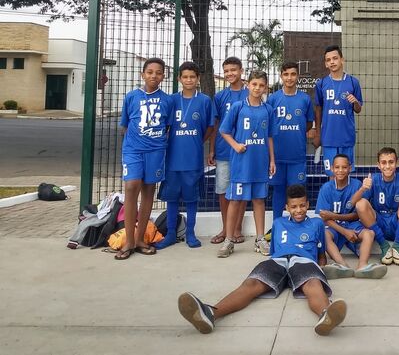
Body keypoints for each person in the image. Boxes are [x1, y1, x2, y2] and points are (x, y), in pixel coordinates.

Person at [177, 184, 347, 336]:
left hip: (303, 261)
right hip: (278, 260)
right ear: (287, 208)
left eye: (303, 205)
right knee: (251, 284)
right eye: (294, 207)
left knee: (313, 285)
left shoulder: (316, 223)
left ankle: (326, 315)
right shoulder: (279, 223)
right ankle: (210, 313)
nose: (299, 210)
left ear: (308, 205)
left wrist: (320, 267)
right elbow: (274, 251)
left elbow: (321, 254)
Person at [116, 57, 174, 260]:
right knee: (132, 186)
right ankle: (129, 241)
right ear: (143, 74)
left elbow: (167, 127)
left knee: (149, 190)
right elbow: (125, 125)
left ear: (163, 76)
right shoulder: (131, 97)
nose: (154, 76)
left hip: (156, 151)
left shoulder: (168, 100)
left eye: (158, 72)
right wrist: (133, 144)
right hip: (133, 150)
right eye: (150, 72)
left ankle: (140, 239)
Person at [155, 61, 217, 250]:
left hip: (193, 159)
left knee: (192, 199)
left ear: (198, 79)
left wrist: (198, 140)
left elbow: (210, 127)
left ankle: (190, 233)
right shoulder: (171, 100)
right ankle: (171, 233)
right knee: (172, 198)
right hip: (173, 158)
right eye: (185, 77)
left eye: (192, 76)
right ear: (179, 79)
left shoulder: (205, 100)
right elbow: (164, 126)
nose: (189, 80)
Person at [217, 70, 276, 258]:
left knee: (259, 200)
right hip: (242, 163)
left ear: (265, 87)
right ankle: (228, 239)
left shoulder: (268, 110)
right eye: (254, 84)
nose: (257, 88)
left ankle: (260, 239)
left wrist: (272, 160)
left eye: (261, 85)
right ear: (247, 85)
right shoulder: (237, 107)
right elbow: (224, 131)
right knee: (236, 200)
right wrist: (235, 145)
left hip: (260, 163)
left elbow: (270, 137)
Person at [315, 154, 388, 279]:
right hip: (335, 228)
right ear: (332, 168)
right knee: (324, 234)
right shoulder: (326, 188)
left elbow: (356, 215)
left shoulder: (356, 185)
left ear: (350, 168)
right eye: (337, 167)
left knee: (369, 234)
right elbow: (324, 218)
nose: (340, 170)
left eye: (344, 167)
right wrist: (344, 231)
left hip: (352, 225)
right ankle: (343, 266)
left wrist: (335, 216)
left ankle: (362, 266)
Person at [209, 56, 249, 245]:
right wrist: (211, 150)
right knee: (223, 191)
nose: (229, 74)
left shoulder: (250, 93)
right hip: (224, 151)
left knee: (240, 190)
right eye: (226, 71)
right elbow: (216, 125)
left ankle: (237, 228)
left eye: (233, 70)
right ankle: (226, 229)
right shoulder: (220, 97)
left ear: (241, 70)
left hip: (245, 150)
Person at [267, 61, 314, 221]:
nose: (289, 78)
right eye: (286, 74)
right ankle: (277, 225)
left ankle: (298, 224)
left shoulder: (305, 99)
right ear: (281, 76)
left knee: (298, 191)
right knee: (279, 191)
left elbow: (308, 124)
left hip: (297, 156)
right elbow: (268, 126)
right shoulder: (273, 99)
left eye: (293, 74)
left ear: (298, 76)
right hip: (278, 156)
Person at [350, 147, 399, 265]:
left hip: (396, 223)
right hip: (379, 223)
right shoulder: (374, 180)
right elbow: (352, 203)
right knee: (361, 203)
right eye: (384, 162)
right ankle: (384, 246)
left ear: (396, 163)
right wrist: (362, 188)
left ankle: (397, 247)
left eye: (391, 162)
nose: (387, 166)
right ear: (378, 165)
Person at [313, 45, 363, 176]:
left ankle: (346, 198)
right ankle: (334, 197)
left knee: (346, 175)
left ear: (342, 60)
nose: (332, 62)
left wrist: (355, 102)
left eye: (335, 58)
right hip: (329, 138)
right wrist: (318, 133)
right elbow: (318, 109)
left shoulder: (353, 82)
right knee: (332, 175)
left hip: (346, 138)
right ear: (325, 64)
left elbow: (358, 109)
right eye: (328, 60)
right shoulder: (321, 84)